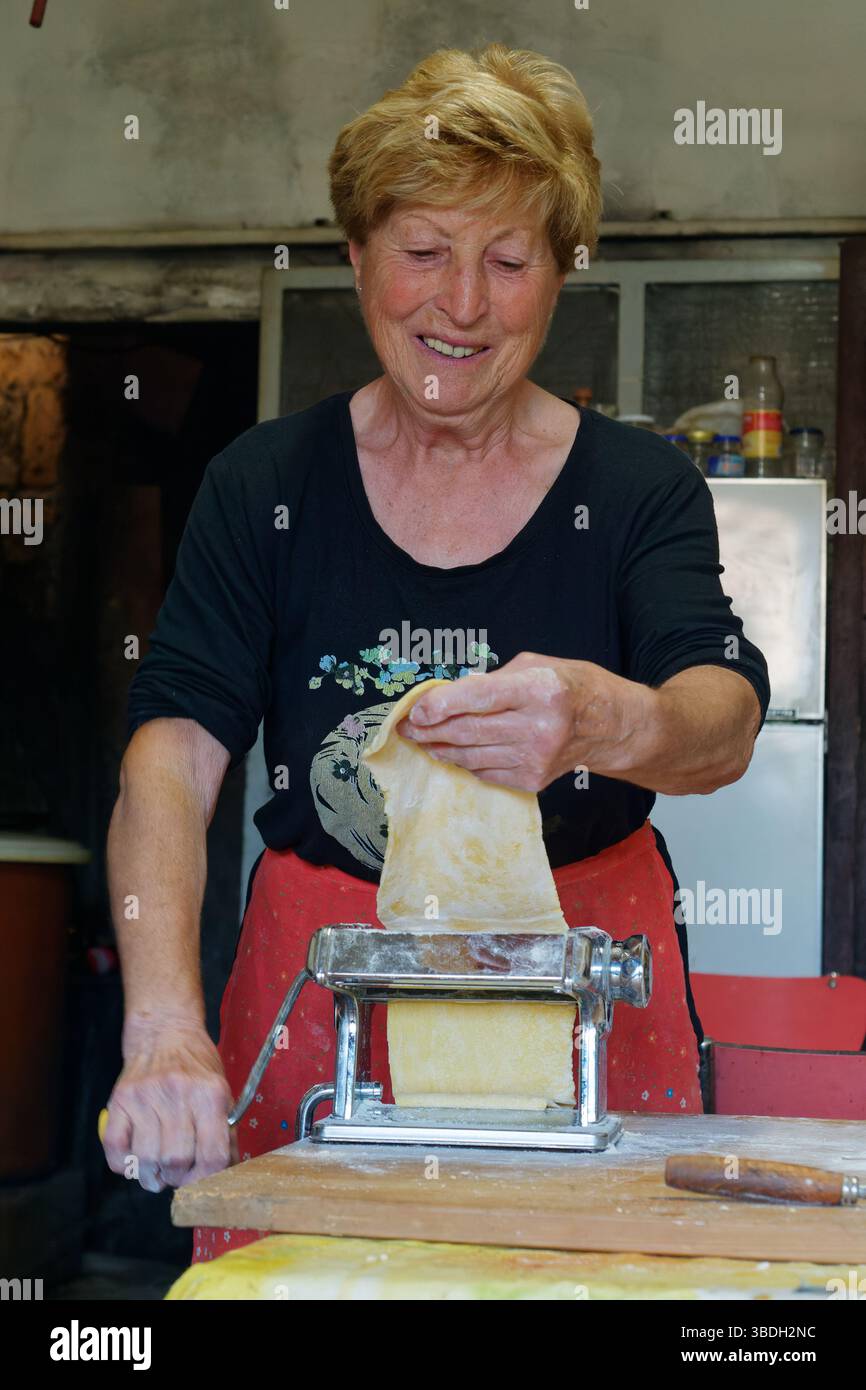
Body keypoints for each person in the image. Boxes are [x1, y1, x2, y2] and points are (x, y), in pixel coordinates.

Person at [103, 44, 769, 1261]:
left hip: (582, 984)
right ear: (355, 256)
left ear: (559, 273)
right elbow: (173, 757)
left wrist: (595, 715)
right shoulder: (265, 487)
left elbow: (716, 717)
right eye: (420, 253)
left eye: (507, 261)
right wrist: (162, 1027)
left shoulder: (633, 489)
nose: (459, 305)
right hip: (321, 983)